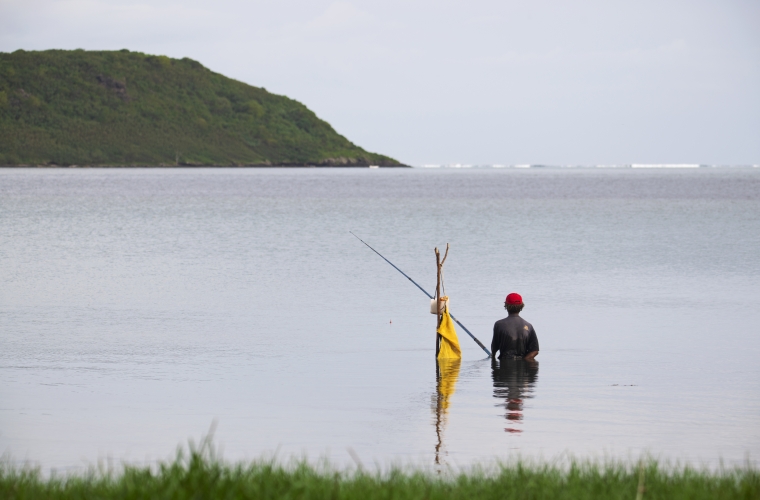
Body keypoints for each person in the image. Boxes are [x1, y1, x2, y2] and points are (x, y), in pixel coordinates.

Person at [491, 293, 539, 360]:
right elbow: (535, 351)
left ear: (506, 305)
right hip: (523, 367)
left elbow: (494, 348)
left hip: (505, 363)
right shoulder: (528, 326)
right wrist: (524, 361)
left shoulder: (499, 325)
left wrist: (493, 357)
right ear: (521, 306)